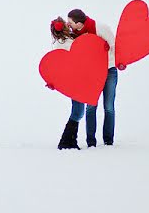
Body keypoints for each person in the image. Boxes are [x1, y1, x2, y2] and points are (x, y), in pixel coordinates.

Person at [67, 9, 118, 146]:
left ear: (78, 23)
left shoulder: (100, 28)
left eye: (70, 22)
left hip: (109, 70)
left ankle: (108, 140)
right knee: (91, 107)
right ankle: (91, 141)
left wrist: (106, 51)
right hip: (91, 73)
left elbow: (115, 46)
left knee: (108, 107)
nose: (68, 24)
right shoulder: (74, 35)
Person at [48, 17, 84, 150]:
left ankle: (71, 141)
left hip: (73, 80)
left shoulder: (61, 43)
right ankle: (65, 141)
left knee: (78, 110)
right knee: (78, 111)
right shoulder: (67, 43)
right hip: (75, 80)